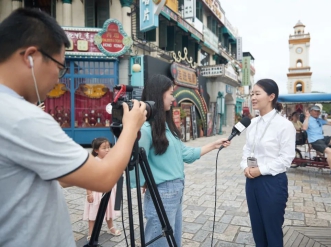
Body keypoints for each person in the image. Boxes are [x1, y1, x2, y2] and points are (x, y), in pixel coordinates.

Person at [0, 8, 147, 247]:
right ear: (31, 57)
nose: (59, 80)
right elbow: (104, 179)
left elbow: (47, 178)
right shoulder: (22, 118)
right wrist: (131, 126)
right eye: (60, 67)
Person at [135, 74, 230, 247]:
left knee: (173, 241)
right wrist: (145, 181)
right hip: (162, 192)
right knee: (159, 242)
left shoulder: (166, 126)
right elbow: (135, 160)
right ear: (158, 94)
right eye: (170, 93)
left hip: (176, 191)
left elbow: (185, 153)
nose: (173, 98)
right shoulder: (146, 129)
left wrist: (213, 145)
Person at [240, 79, 296, 247]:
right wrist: (245, 167)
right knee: (257, 228)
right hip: (251, 181)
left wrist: (261, 170)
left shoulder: (284, 125)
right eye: (252, 94)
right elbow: (247, 149)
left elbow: (286, 159)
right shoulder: (252, 123)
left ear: (271, 96)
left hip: (272, 183)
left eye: (257, 94)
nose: (253, 98)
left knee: (272, 230)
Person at [83, 138, 122, 242]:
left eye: (109, 147)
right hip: (96, 191)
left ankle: (111, 227)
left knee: (109, 209)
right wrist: (89, 193)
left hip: (110, 189)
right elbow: (88, 179)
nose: (107, 150)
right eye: (104, 148)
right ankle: (91, 232)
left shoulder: (111, 160)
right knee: (94, 211)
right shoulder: (93, 162)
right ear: (96, 150)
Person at [302, 105, 331, 175]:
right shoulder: (308, 120)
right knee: (330, 152)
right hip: (315, 141)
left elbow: (330, 123)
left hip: (321, 138)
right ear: (311, 112)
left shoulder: (319, 120)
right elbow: (304, 128)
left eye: (318, 111)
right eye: (315, 111)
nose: (317, 113)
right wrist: (307, 117)